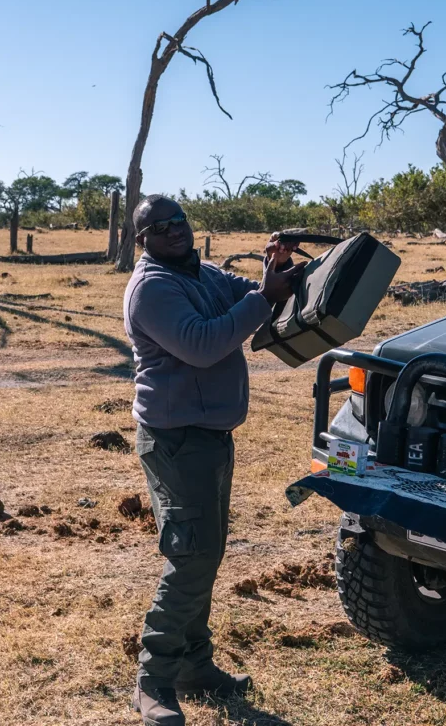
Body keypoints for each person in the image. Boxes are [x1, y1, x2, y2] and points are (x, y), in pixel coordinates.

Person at [123, 195, 304, 726]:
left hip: (207, 434)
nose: (173, 230)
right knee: (192, 555)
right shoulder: (152, 288)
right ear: (143, 240)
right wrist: (262, 299)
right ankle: (152, 680)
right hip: (176, 439)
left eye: (178, 220)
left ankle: (194, 666)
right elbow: (203, 345)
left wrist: (276, 274)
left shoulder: (199, 271)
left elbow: (250, 295)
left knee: (205, 551)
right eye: (159, 227)